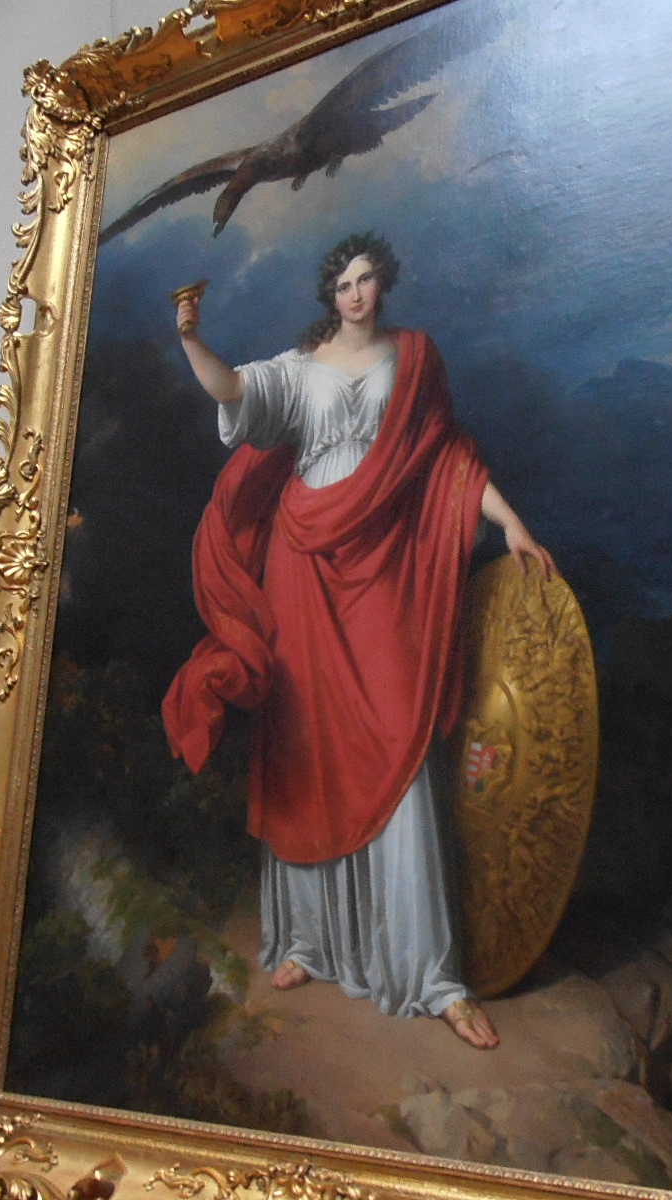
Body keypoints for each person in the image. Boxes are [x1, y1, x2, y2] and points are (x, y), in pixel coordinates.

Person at [161, 233, 554, 1050]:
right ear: (328, 293)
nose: (355, 293)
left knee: (398, 743)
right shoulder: (298, 370)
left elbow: (449, 463)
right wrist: (192, 336)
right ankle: (307, 941)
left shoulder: (415, 361)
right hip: (302, 565)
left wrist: (511, 523)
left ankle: (432, 977)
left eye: (366, 279)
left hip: (383, 573)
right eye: (342, 283)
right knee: (305, 748)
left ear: (383, 283)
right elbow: (231, 390)